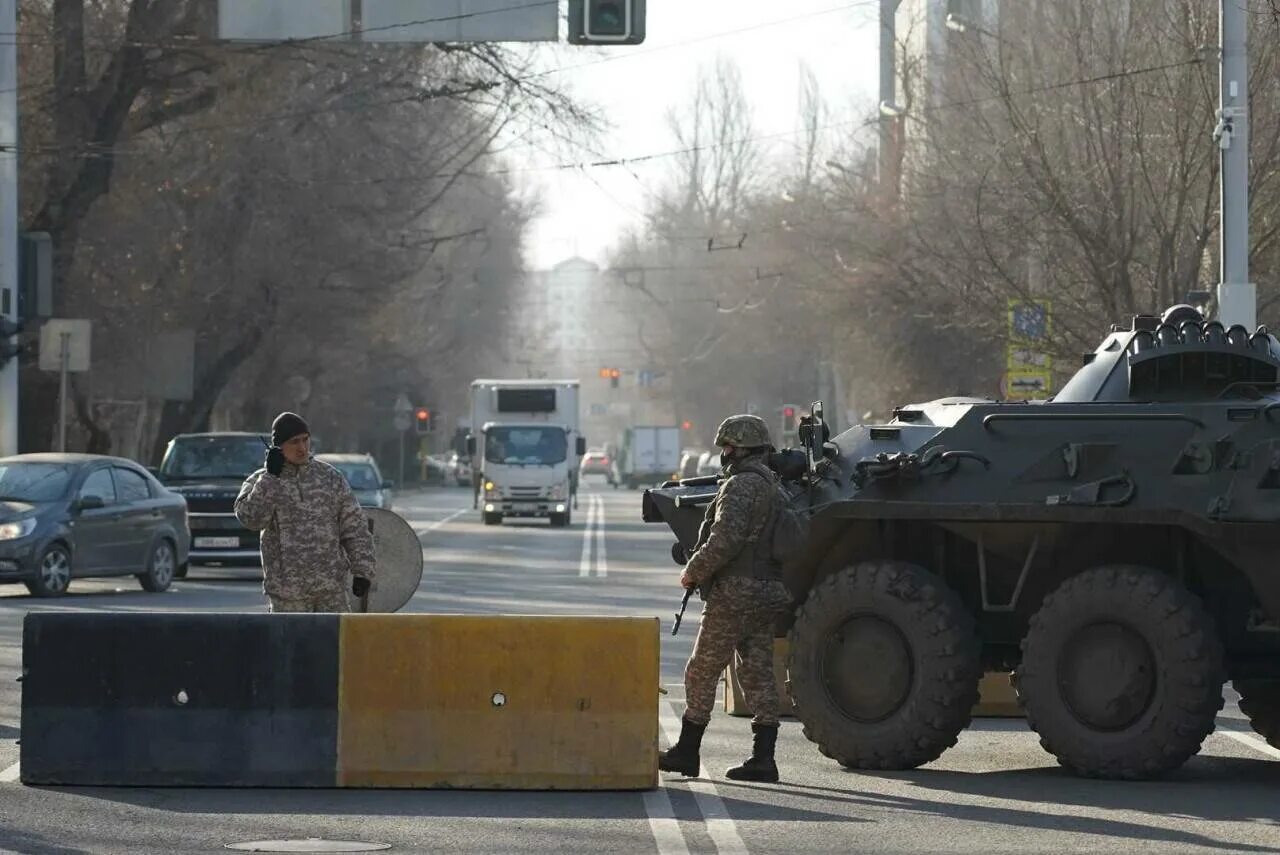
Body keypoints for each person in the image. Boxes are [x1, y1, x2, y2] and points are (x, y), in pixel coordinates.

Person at [659, 414, 792, 783]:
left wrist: (693, 571)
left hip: (736, 593)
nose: (724, 453)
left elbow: (725, 540)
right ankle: (763, 758)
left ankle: (687, 750)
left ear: (741, 448)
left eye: (727, 446)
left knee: (701, 669)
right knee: (757, 672)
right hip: (767, 591)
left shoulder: (741, 486)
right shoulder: (774, 487)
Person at [234, 412, 376, 613]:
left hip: (331, 593)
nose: (302, 448)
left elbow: (354, 527)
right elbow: (251, 519)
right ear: (278, 446)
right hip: (288, 596)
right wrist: (270, 478)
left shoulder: (330, 478)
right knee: (291, 646)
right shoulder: (261, 482)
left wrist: (363, 570)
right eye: (294, 442)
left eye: (305, 440)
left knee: (333, 645)